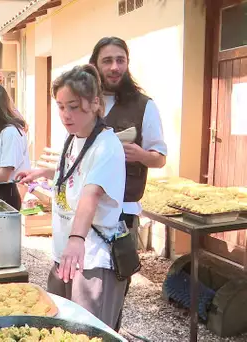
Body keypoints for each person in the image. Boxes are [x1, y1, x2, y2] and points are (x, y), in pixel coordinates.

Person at [17, 64, 128, 328]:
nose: (65, 114)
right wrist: (43, 171)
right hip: (66, 253)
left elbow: (91, 195)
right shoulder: (75, 136)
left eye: (74, 106)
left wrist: (76, 239)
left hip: (91, 258)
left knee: (86, 331)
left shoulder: (106, 145)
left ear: (95, 103)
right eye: (60, 106)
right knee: (60, 327)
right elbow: (76, 170)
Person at [89, 36, 167, 330]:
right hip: (84, 206)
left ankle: (111, 333)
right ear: (96, 64)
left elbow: (160, 157)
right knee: (87, 282)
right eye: (108, 60)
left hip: (123, 211)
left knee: (116, 283)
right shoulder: (86, 100)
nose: (115, 67)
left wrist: (141, 154)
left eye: (120, 60)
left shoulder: (144, 106)